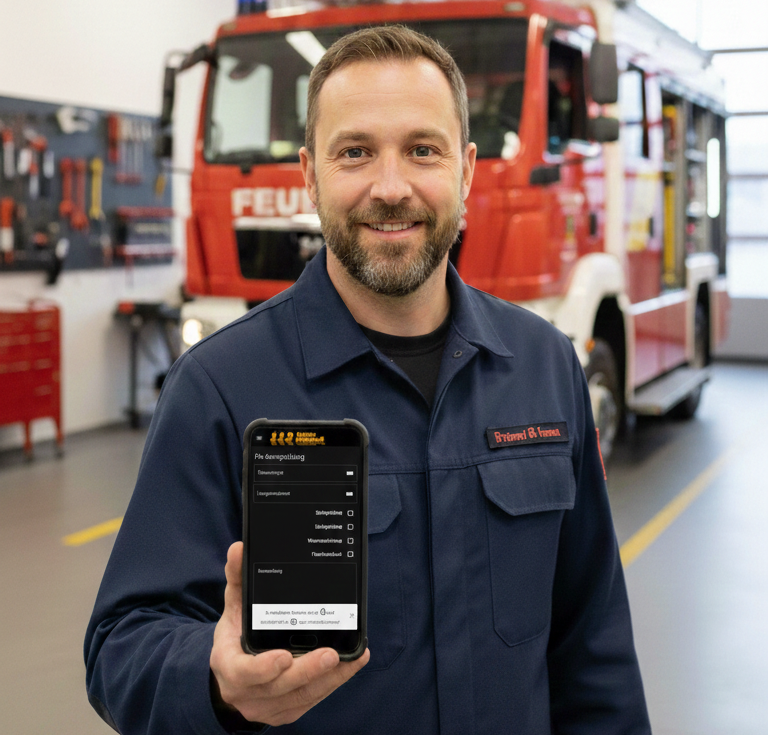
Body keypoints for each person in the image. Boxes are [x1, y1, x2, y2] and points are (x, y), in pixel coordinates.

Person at [85, 25, 651, 734]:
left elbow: (593, 646)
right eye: (355, 152)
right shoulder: (218, 387)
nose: (390, 188)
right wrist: (214, 680)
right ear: (310, 174)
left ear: (466, 171)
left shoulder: (545, 366)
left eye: (423, 150)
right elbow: (122, 643)